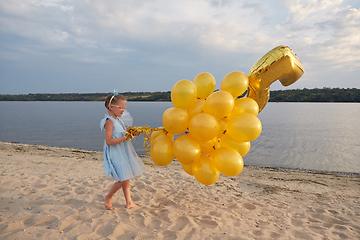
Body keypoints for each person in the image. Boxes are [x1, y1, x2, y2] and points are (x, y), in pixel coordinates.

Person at [100, 92, 146, 210]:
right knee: (123, 178)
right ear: (111, 107)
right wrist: (125, 138)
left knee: (126, 177)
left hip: (123, 152)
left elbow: (125, 134)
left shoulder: (120, 120)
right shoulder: (109, 122)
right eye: (120, 107)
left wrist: (132, 134)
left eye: (124, 108)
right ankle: (108, 197)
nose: (123, 110)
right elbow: (109, 141)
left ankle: (129, 202)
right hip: (116, 154)